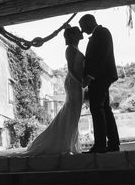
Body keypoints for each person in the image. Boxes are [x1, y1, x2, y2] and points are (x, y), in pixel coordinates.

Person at [26, 26, 85, 156]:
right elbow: (71, 69)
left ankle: (69, 143)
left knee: (73, 113)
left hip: (78, 83)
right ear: (73, 35)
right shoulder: (70, 49)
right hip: (74, 83)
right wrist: (81, 81)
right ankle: (66, 145)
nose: (81, 32)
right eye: (78, 31)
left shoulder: (74, 48)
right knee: (72, 112)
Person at [79, 14, 120, 153]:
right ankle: (113, 143)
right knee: (105, 109)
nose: (82, 31)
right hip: (101, 76)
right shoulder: (99, 33)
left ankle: (100, 145)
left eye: (83, 27)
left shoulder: (102, 32)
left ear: (89, 22)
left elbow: (102, 55)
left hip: (100, 77)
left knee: (97, 108)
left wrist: (90, 75)